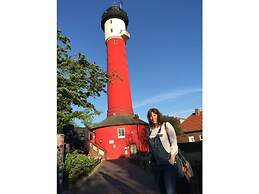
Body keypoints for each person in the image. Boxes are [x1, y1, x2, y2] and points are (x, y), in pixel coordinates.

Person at [147, 108, 178, 194]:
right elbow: (151, 148)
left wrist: (172, 158)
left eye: (154, 115)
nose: (152, 118)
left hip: (167, 163)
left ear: (158, 115)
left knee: (170, 191)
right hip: (156, 165)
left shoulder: (166, 125)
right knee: (162, 190)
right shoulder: (150, 131)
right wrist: (150, 160)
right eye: (150, 116)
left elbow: (174, 142)